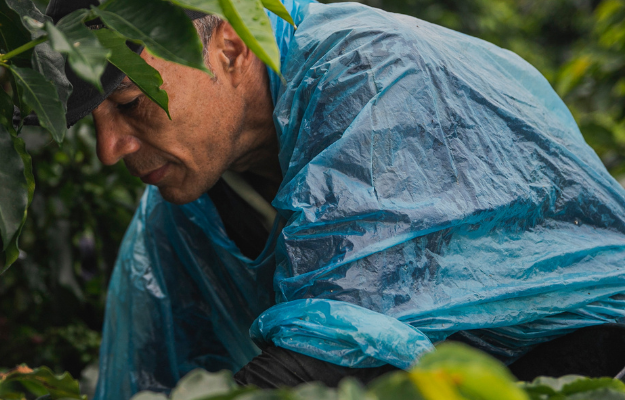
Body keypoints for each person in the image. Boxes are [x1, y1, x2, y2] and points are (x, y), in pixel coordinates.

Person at [32, 0, 625, 398]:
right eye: (94, 121)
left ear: (232, 47)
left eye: (133, 103)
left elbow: (336, 346)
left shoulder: (374, 81)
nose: (109, 148)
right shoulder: (182, 212)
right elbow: (152, 366)